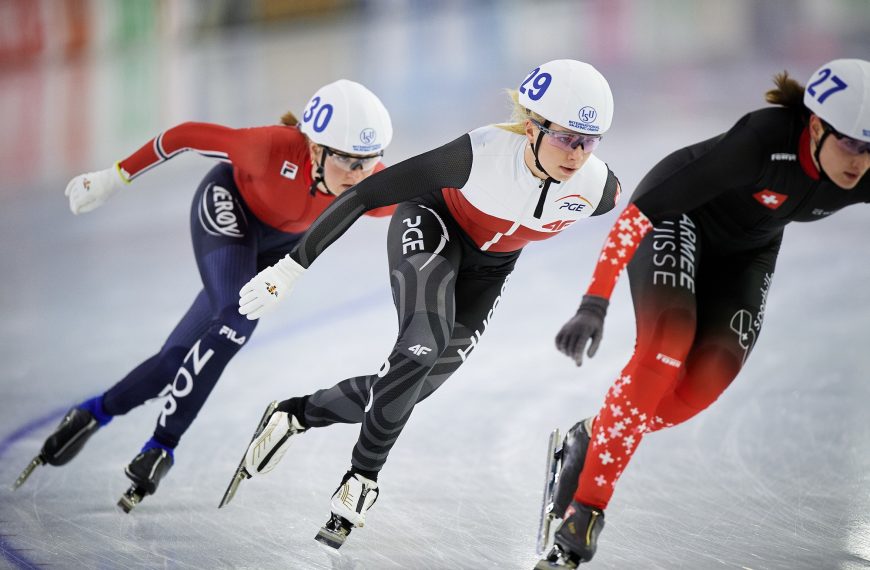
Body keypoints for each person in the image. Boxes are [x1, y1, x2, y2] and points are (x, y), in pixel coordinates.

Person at [229, 59, 622, 549]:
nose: (577, 154)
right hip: (434, 228)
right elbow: (365, 194)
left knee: (409, 387)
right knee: (420, 344)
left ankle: (294, 414)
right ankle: (361, 481)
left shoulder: (599, 190)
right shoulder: (476, 156)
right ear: (530, 127)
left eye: (589, 141)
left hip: (490, 269)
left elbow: (643, 222)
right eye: (566, 137)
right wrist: (290, 269)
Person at [537, 58, 870, 568]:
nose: (860, 162)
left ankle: (593, 435)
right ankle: (582, 516)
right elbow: (639, 215)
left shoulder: (862, 165)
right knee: (667, 344)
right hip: (676, 218)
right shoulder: (762, 141)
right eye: (850, 143)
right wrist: (593, 303)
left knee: (703, 384)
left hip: (747, 251)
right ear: (816, 125)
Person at [13, 79, 396, 512]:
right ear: (314, 150)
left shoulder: (373, 187)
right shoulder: (267, 148)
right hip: (229, 210)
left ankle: (93, 412)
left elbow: (437, 198)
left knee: (172, 362)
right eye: (347, 160)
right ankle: (163, 443)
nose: (360, 175)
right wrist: (113, 177)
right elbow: (184, 136)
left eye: (370, 161)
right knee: (236, 321)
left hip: (279, 247)